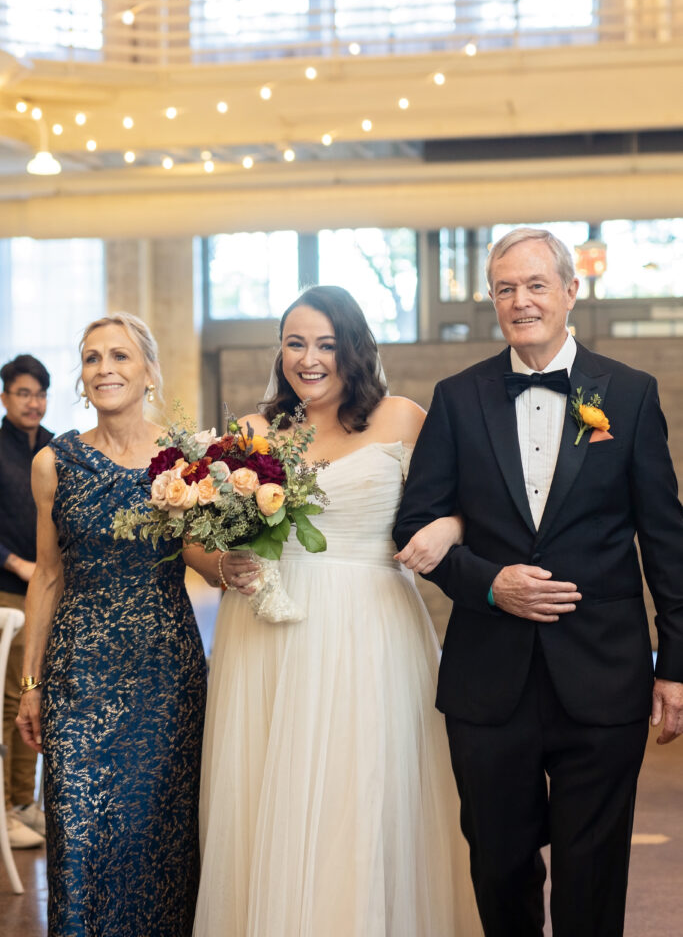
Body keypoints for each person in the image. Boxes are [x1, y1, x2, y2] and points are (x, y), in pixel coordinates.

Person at [394, 226, 683, 937]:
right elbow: (415, 526)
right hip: (488, 679)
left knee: (592, 870)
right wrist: (492, 584)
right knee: (498, 864)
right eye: (504, 289)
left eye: (534, 285)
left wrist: (674, 664)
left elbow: (665, 540)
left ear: (569, 291)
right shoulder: (456, 398)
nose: (519, 301)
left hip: (602, 673)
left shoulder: (632, 394)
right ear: (491, 299)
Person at [187, 285, 482, 936]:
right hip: (267, 632)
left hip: (369, 630)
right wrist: (220, 565)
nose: (309, 358)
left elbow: (465, 508)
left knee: (363, 793)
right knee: (273, 797)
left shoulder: (404, 418)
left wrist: (446, 531)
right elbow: (196, 539)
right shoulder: (251, 435)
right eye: (295, 343)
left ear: (354, 348)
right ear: (280, 352)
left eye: (325, 343)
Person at [16, 313, 207, 937]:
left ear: (149, 371)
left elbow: (203, 559)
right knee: (77, 839)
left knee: (157, 843)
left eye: (120, 356)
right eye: (92, 358)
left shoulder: (186, 460)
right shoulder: (55, 462)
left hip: (164, 676)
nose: (105, 369)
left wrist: (239, 559)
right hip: (77, 677)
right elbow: (46, 575)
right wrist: (30, 683)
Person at [0, 354, 53, 849]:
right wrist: (18, 564)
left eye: (39, 393)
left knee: (36, 696)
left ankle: (25, 801)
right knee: (12, 699)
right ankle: (9, 806)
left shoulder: (55, 449)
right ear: (4, 397)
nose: (33, 402)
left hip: (47, 594)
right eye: (23, 393)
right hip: (8, 593)